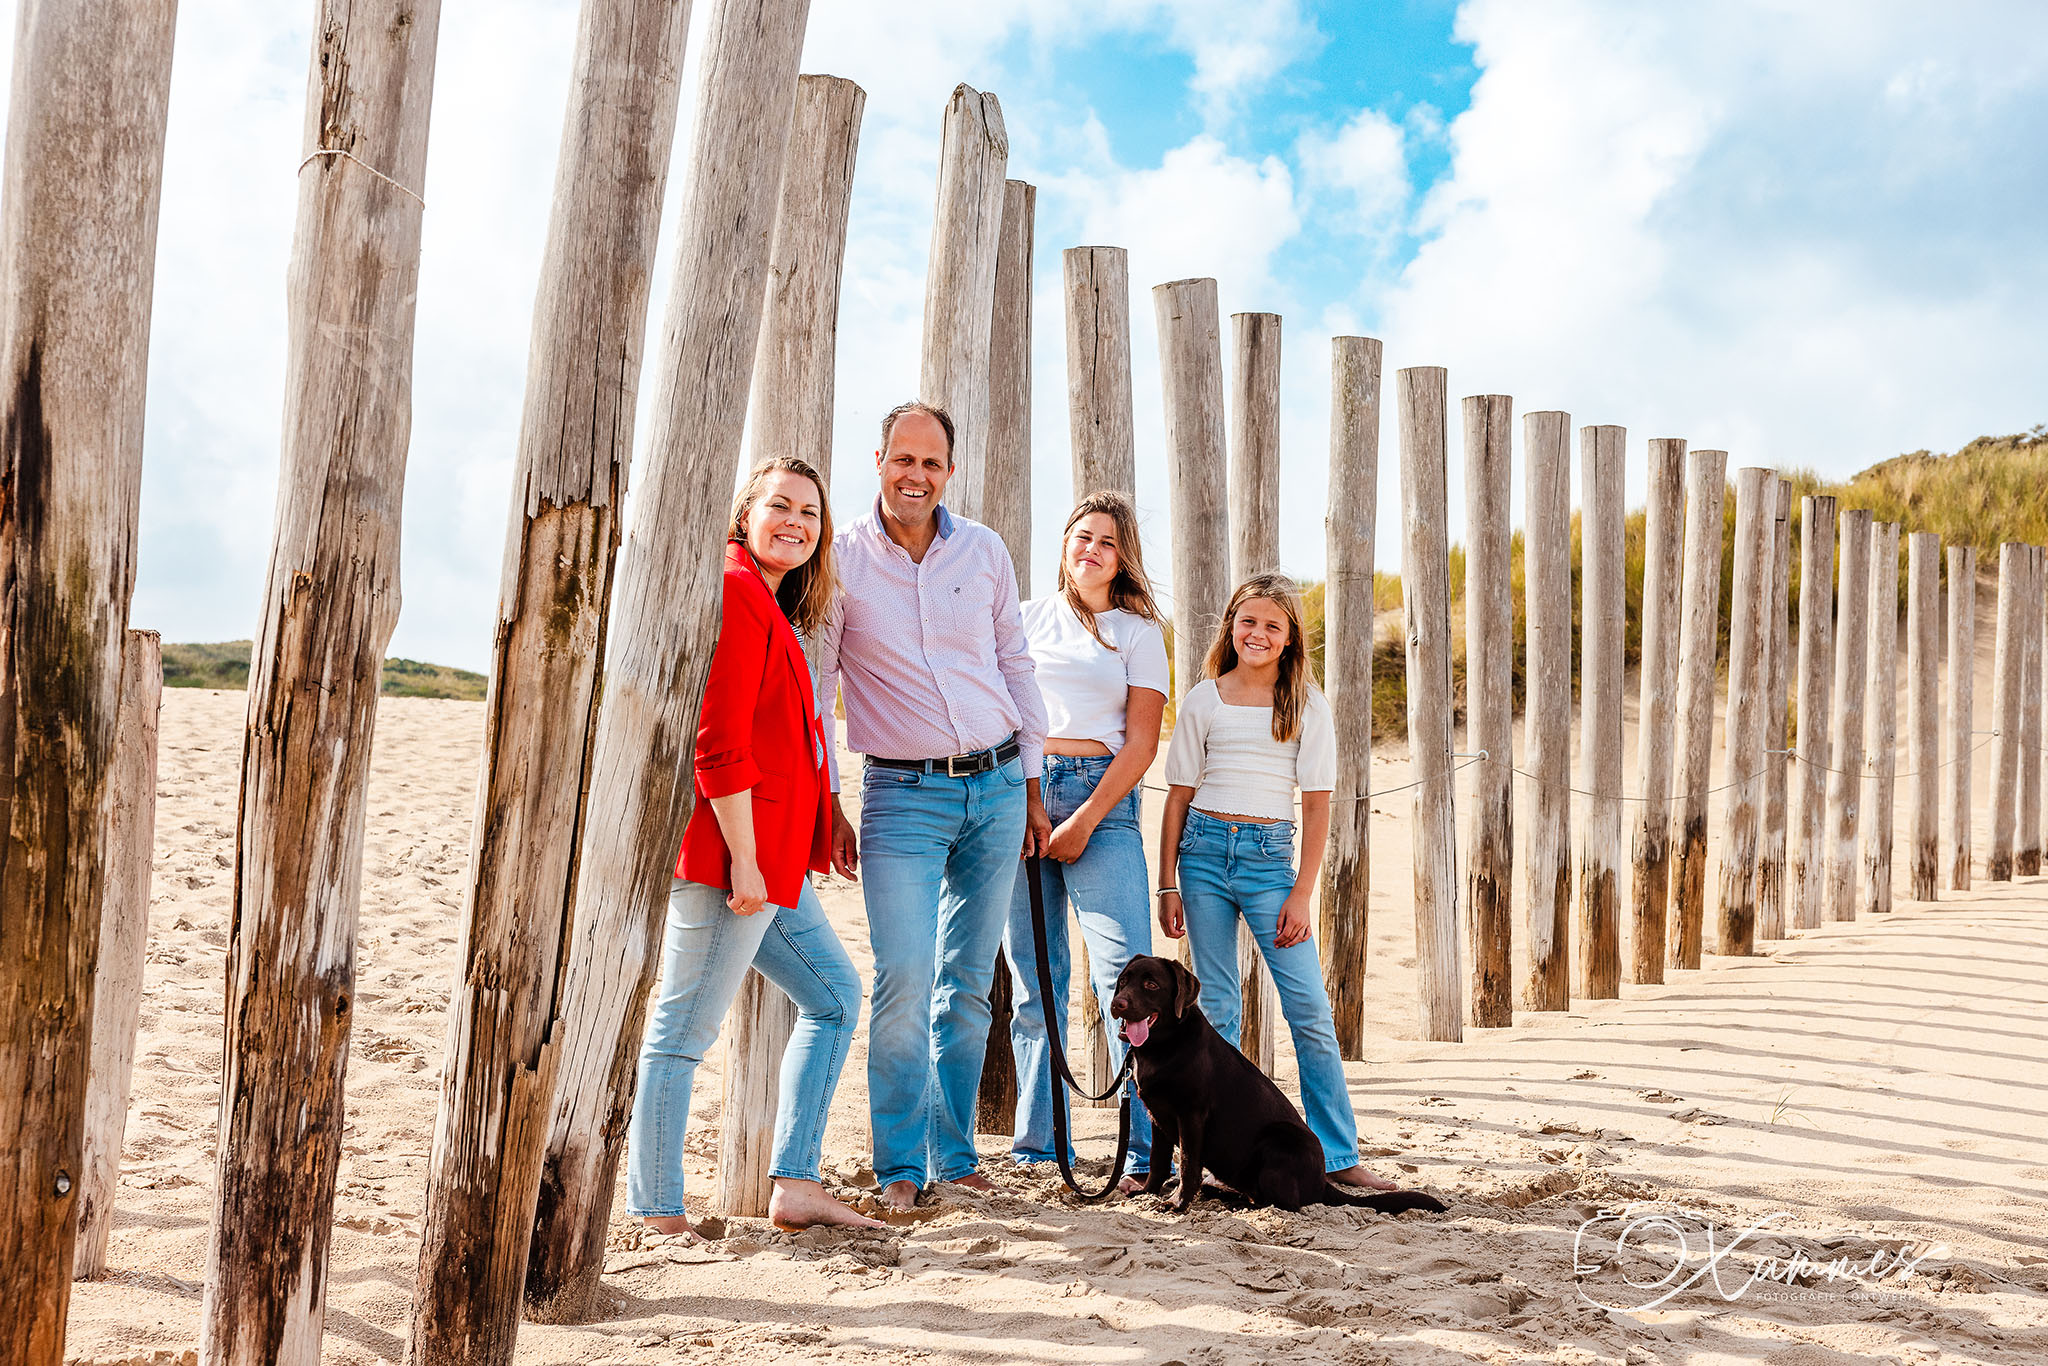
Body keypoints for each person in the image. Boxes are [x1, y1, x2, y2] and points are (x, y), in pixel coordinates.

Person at [626, 457, 882, 1237]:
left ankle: (796, 1184)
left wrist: (819, 821)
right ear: (746, 513)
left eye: (810, 512)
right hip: (736, 860)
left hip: (774, 860)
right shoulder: (736, 589)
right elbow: (719, 741)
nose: (795, 523)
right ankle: (658, 1213)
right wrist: (743, 858)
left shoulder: (768, 600)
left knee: (835, 998)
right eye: (780, 506)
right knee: (680, 1035)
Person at [816, 400, 1051, 1213]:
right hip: (901, 796)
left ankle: (953, 1154)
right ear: (878, 460)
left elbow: (1016, 663)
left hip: (998, 786)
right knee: (905, 980)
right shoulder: (839, 559)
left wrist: (1031, 784)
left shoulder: (984, 549)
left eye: (930, 462)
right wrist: (829, 799)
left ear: (949, 470)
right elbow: (819, 684)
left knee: (968, 984)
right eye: (902, 458)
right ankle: (899, 1165)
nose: (915, 475)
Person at [1154, 572, 1398, 1192]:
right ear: (1230, 627)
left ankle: (1339, 1153)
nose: (1257, 633)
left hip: (1269, 862)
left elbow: (1316, 804)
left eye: (1272, 625)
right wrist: (1167, 883)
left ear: (1290, 638)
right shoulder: (1204, 699)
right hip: (1202, 855)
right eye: (1248, 621)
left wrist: (1302, 893)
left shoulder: (1306, 705)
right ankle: (1210, 1157)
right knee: (1217, 1009)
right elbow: (1178, 795)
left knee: (1309, 1009)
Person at [1002, 492, 1166, 1194]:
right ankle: (1040, 1147)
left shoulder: (1138, 632)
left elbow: (1142, 744)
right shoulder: (1023, 618)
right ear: (1064, 544)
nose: (1092, 549)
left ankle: (1145, 1154)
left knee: (1124, 983)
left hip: (1104, 800)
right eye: (1082, 536)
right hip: (1024, 793)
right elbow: (1005, 714)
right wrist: (1029, 802)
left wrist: (1084, 822)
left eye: (1107, 541)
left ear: (1122, 557)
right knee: (1034, 987)